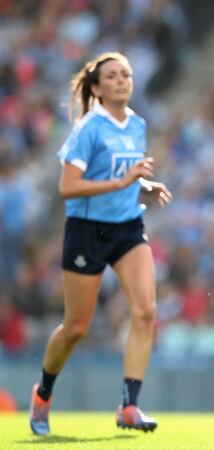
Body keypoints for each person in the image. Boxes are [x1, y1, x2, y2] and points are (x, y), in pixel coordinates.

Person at [29, 52, 172, 436]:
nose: (123, 80)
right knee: (76, 327)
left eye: (126, 73)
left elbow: (124, 173)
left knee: (145, 311)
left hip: (127, 227)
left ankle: (129, 406)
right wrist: (124, 182)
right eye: (113, 76)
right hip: (87, 231)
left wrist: (143, 184)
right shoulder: (89, 128)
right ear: (97, 87)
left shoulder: (137, 125)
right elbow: (68, 186)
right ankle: (43, 392)